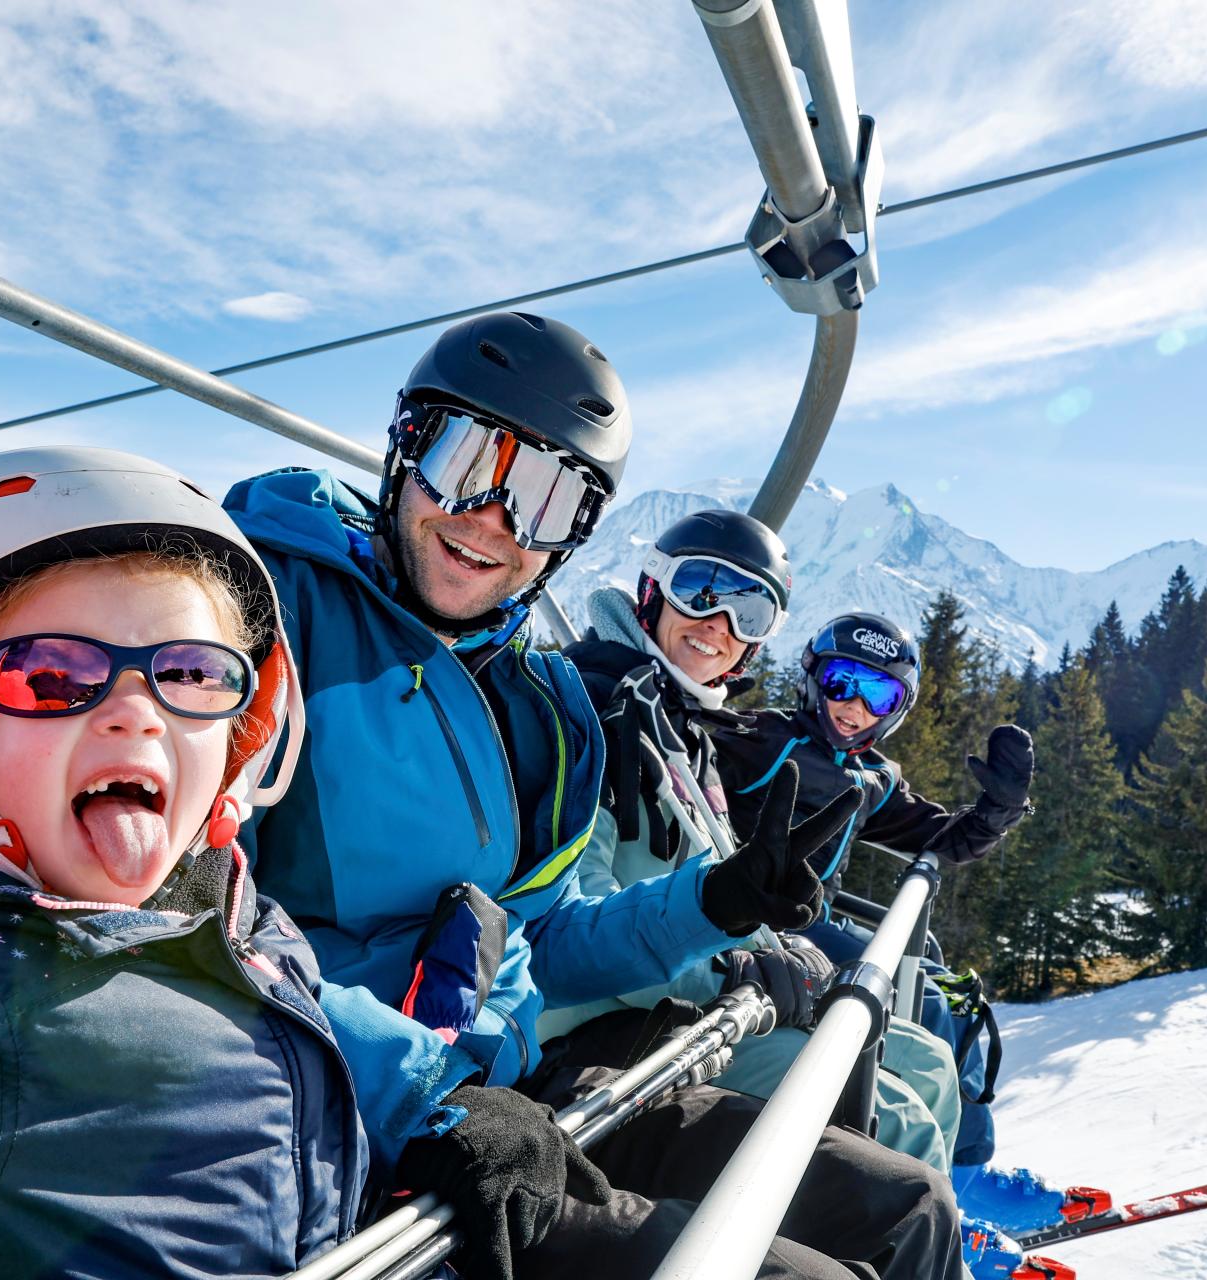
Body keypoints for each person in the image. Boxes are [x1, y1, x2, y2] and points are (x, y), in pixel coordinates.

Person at [226, 312, 963, 1279]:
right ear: (405, 443)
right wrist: (425, 1096)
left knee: (907, 1211)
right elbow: (193, 917)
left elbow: (548, 938)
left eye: (547, 495)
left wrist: (715, 904)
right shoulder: (270, 616)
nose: (495, 518)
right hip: (353, 1119)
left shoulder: (544, 702)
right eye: (466, 458)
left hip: (524, 1091)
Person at [0, 446, 372, 1279]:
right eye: (50, 675)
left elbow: (291, 1013)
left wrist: (445, 1103)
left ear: (246, 727)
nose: (136, 714)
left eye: (190, 673)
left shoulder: (218, 904)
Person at [714, 611, 1074, 1241]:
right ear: (812, 679)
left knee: (955, 998)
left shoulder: (872, 775)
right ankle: (937, 1197)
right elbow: (695, 741)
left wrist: (999, 809)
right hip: (761, 926)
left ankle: (966, 1171)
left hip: (815, 926)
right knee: (927, 1003)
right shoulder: (767, 742)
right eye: (840, 681)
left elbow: (942, 838)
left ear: (896, 708)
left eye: (876, 692)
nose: (852, 705)